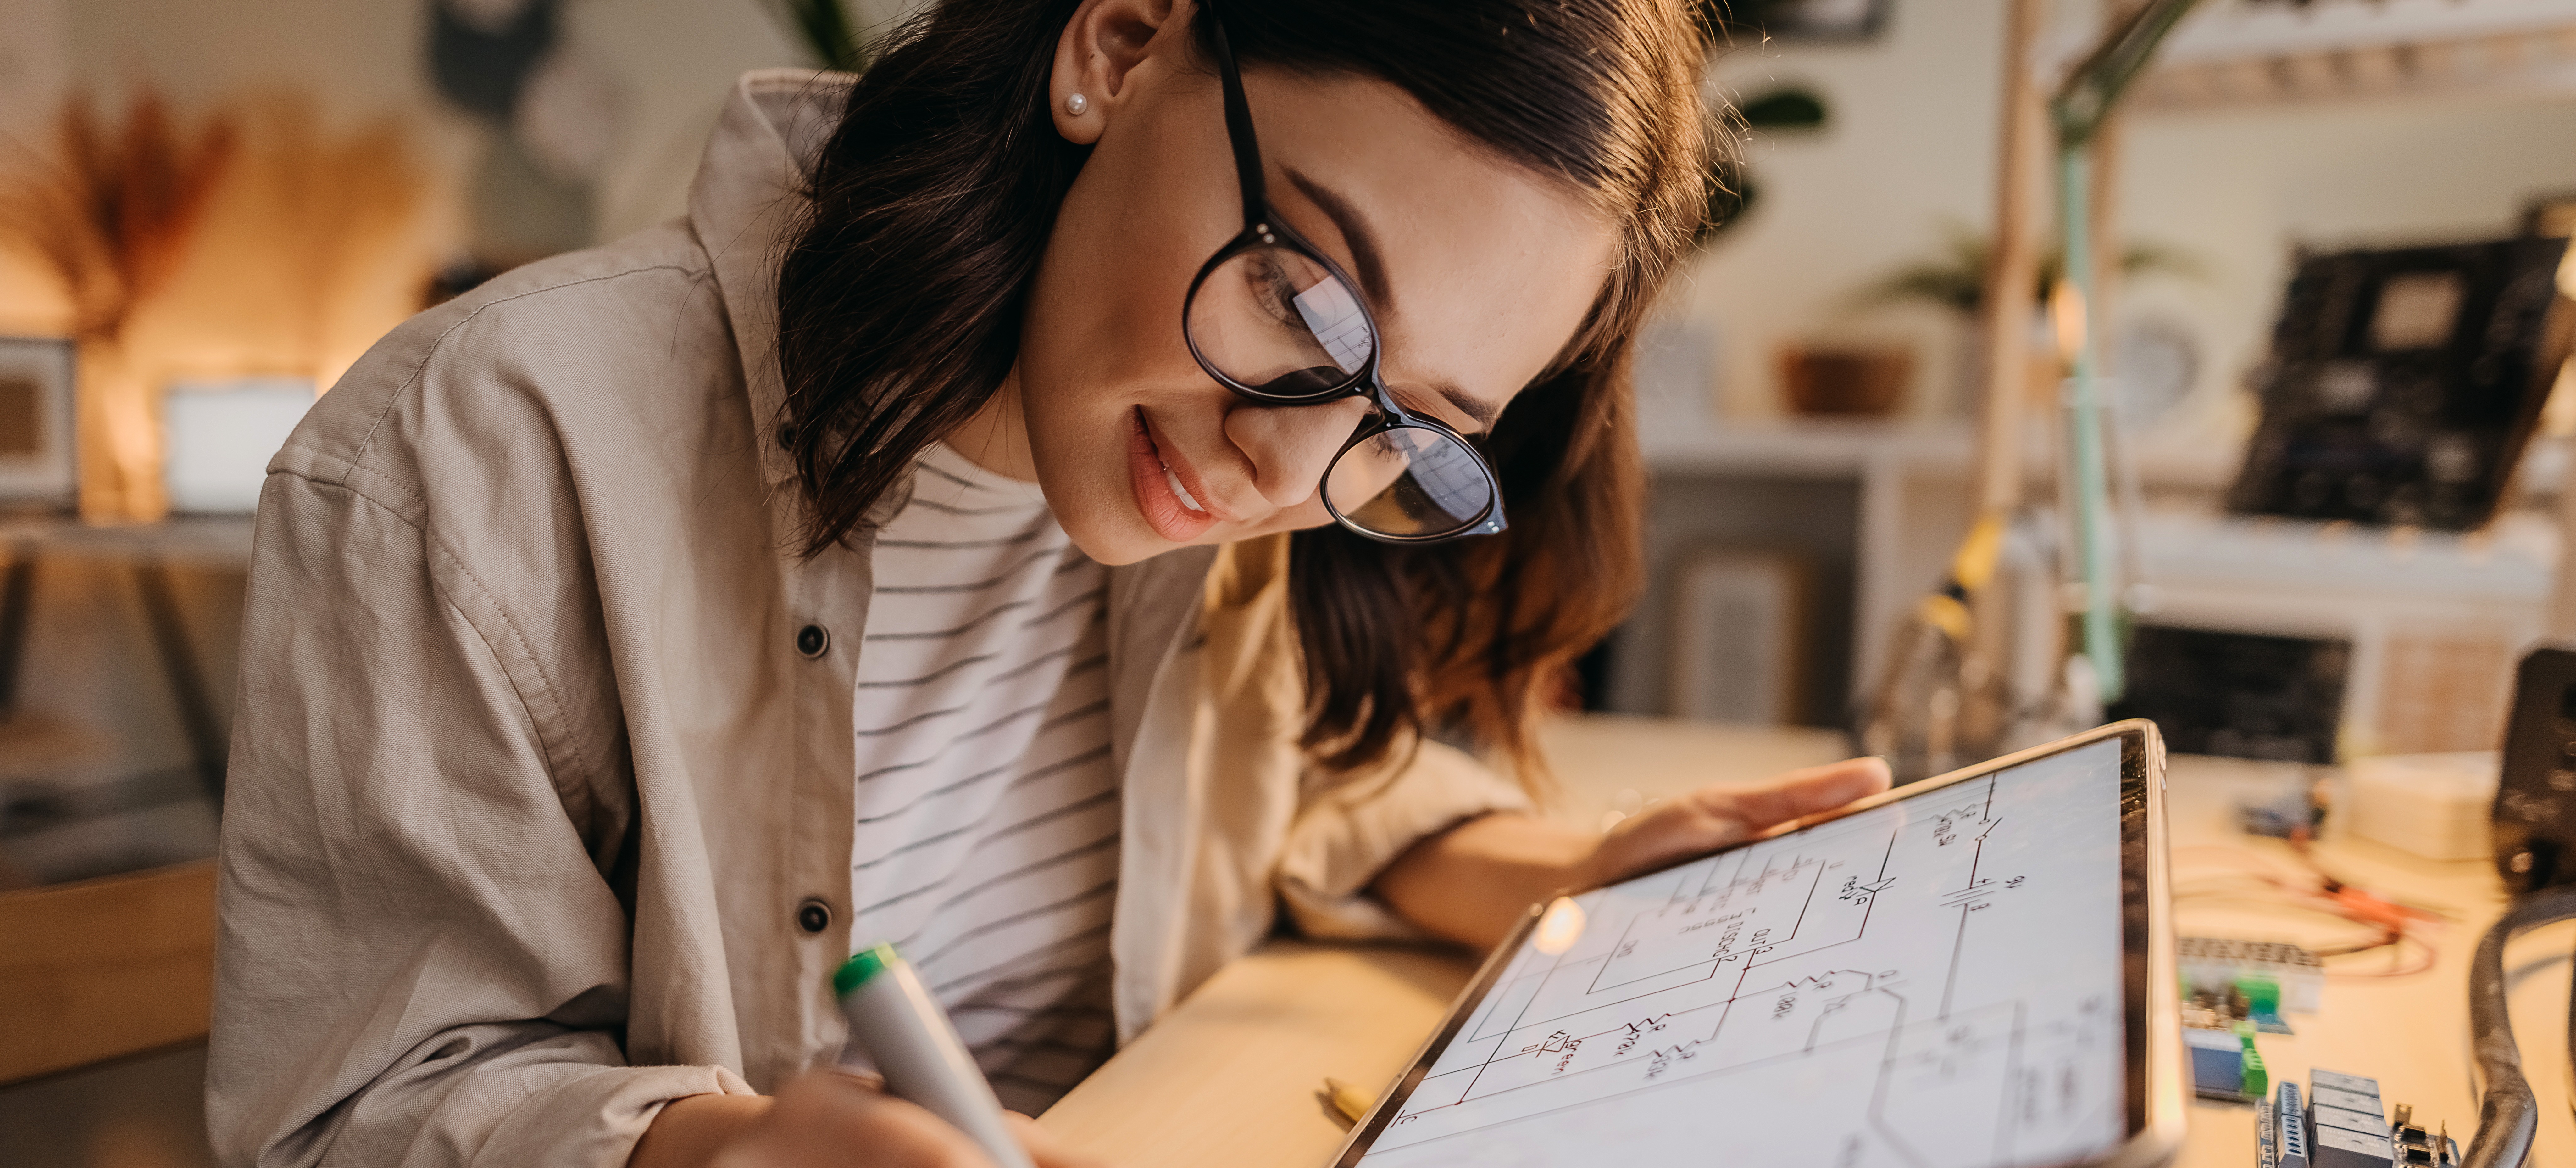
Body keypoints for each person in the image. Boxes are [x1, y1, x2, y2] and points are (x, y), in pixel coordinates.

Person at [206, 1, 1891, 1165]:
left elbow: (1288, 790)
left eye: (1409, 430)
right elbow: (350, 1106)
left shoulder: (1208, 489)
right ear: (1122, 44)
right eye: (1308, 308)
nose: (1283, 472)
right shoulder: (481, 449)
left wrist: (1574, 870)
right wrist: (718, 1148)